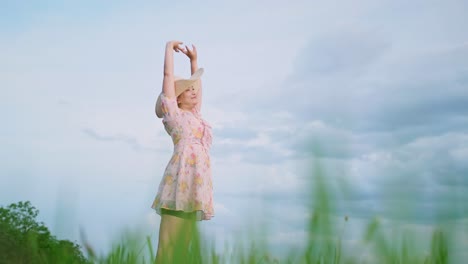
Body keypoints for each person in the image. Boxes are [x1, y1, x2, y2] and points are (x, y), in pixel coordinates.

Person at [151, 40, 213, 263]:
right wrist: (168, 48)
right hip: (180, 181)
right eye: (188, 90)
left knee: (182, 253)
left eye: (194, 88)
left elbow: (199, 83)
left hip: (196, 185)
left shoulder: (196, 115)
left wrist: (193, 61)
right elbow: (168, 78)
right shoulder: (174, 116)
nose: (194, 91)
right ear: (176, 99)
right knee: (166, 250)